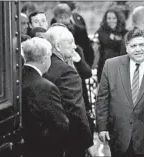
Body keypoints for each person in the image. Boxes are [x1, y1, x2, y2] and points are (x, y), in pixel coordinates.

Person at [95, 28, 144, 157]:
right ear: (127, 47)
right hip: (119, 136)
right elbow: (102, 98)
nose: (138, 49)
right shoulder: (111, 65)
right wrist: (102, 127)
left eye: (141, 45)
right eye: (133, 46)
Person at [43, 25, 94, 157]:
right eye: (70, 42)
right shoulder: (67, 71)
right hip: (70, 139)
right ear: (58, 46)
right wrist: (88, 143)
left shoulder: (45, 65)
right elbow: (75, 109)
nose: (75, 46)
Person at [21, 37, 69, 157]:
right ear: (44, 59)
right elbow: (60, 124)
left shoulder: (17, 79)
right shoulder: (45, 87)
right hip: (44, 149)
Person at [92, 7, 128, 82]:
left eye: (114, 18)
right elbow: (107, 42)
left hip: (121, 69)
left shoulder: (124, 32)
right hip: (105, 69)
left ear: (118, 19)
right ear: (105, 19)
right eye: (109, 18)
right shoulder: (101, 31)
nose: (111, 20)